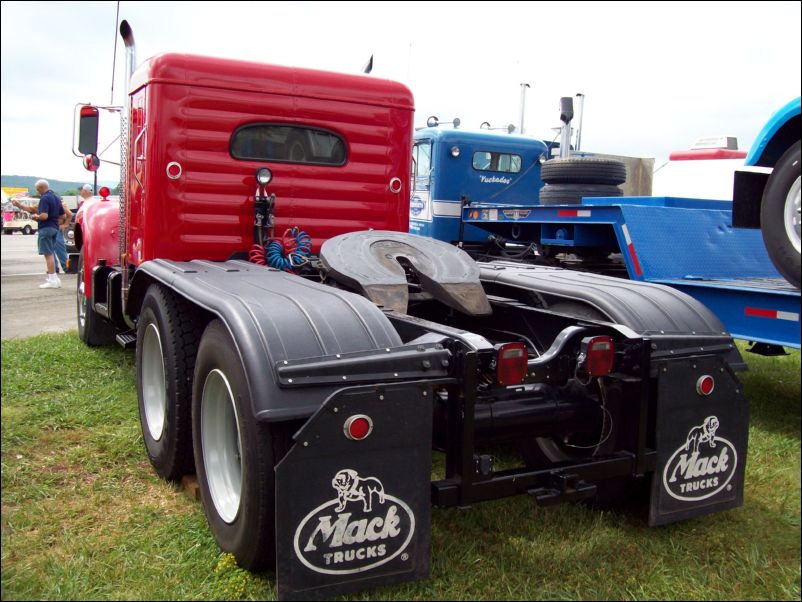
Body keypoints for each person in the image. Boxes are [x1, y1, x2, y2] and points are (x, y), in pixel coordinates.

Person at [12, 179, 65, 289]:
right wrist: (19, 205)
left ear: (41, 188)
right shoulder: (56, 198)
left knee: (48, 254)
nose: (38, 192)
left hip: (45, 228)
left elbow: (44, 215)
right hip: (55, 228)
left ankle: (52, 279)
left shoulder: (45, 198)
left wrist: (36, 217)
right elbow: (63, 216)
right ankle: (55, 278)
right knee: (51, 252)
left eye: (38, 189)